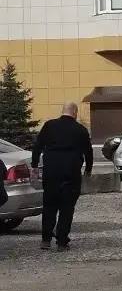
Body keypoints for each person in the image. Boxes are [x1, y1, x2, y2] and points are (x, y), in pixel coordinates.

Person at [31, 102, 93, 251]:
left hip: (51, 172)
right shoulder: (80, 129)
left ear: (63, 111)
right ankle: (62, 241)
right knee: (67, 208)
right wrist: (88, 170)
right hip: (71, 173)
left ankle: (46, 240)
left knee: (49, 206)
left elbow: (38, 146)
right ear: (75, 112)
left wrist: (34, 165)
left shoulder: (49, 125)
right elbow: (88, 152)